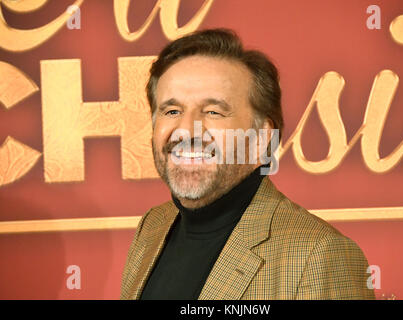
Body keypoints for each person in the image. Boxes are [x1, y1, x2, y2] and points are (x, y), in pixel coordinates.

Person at [120, 28, 375, 300]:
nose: (186, 130)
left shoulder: (319, 254)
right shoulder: (152, 226)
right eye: (172, 111)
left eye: (213, 112)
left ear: (260, 137)